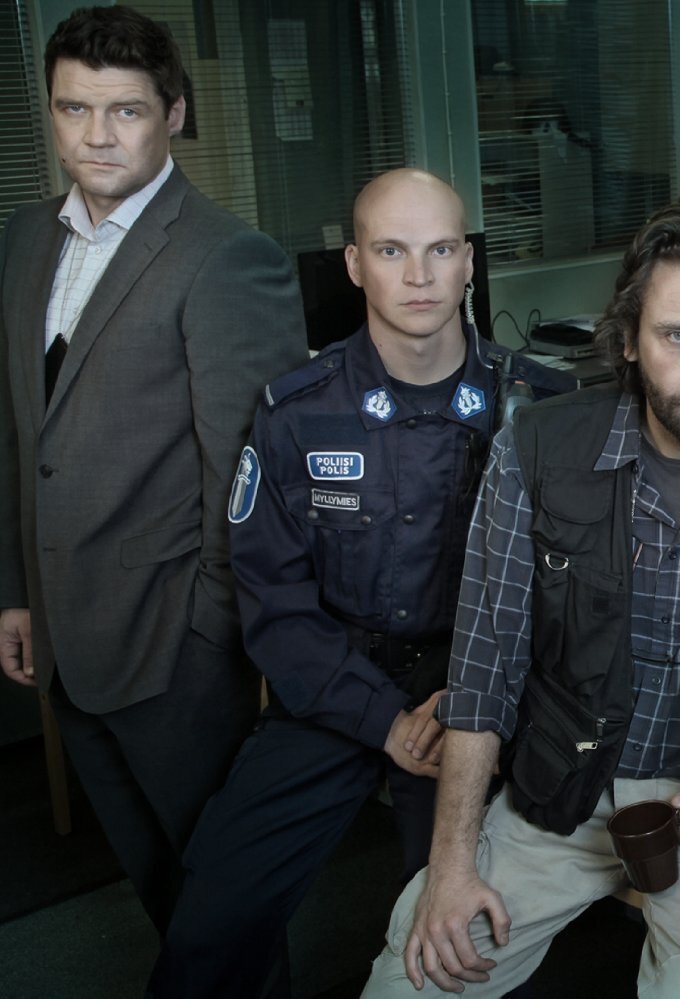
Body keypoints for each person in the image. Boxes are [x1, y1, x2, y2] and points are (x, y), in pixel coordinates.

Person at [360, 197, 680, 997]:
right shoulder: (537, 447)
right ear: (630, 338)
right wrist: (450, 866)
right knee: (410, 980)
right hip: (557, 788)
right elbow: (483, 671)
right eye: (676, 335)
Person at [147, 169, 572, 998]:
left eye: (440, 250)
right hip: (335, 687)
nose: (419, 276)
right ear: (353, 264)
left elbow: (568, 598)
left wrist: (471, 705)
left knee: (466, 944)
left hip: (479, 698)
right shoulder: (296, 410)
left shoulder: (541, 408)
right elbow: (273, 602)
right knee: (210, 917)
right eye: (390, 251)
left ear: (468, 263)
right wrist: (383, 721)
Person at [0, 5, 307, 935]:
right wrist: (17, 594)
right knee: (154, 883)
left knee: (220, 894)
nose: (96, 135)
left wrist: (208, 634)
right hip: (62, 634)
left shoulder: (227, 258)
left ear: (172, 113)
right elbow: (20, 436)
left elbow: (252, 479)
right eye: (74, 109)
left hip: (174, 647)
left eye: (125, 110)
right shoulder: (23, 238)